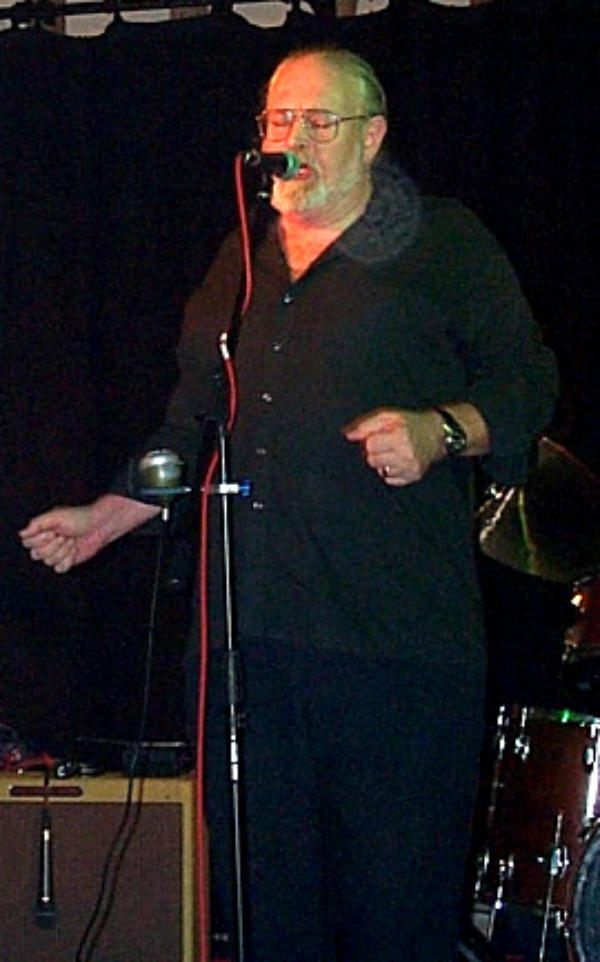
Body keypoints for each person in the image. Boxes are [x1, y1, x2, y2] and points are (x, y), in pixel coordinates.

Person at [20, 45, 558, 962]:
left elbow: (529, 385)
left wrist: (441, 430)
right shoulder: (242, 258)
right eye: (278, 119)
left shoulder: (442, 242)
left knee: (395, 920)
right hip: (253, 653)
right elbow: (192, 424)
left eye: (319, 120)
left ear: (372, 137)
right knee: (268, 916)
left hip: (395, 650)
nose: (292, 138)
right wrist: (106, 517)